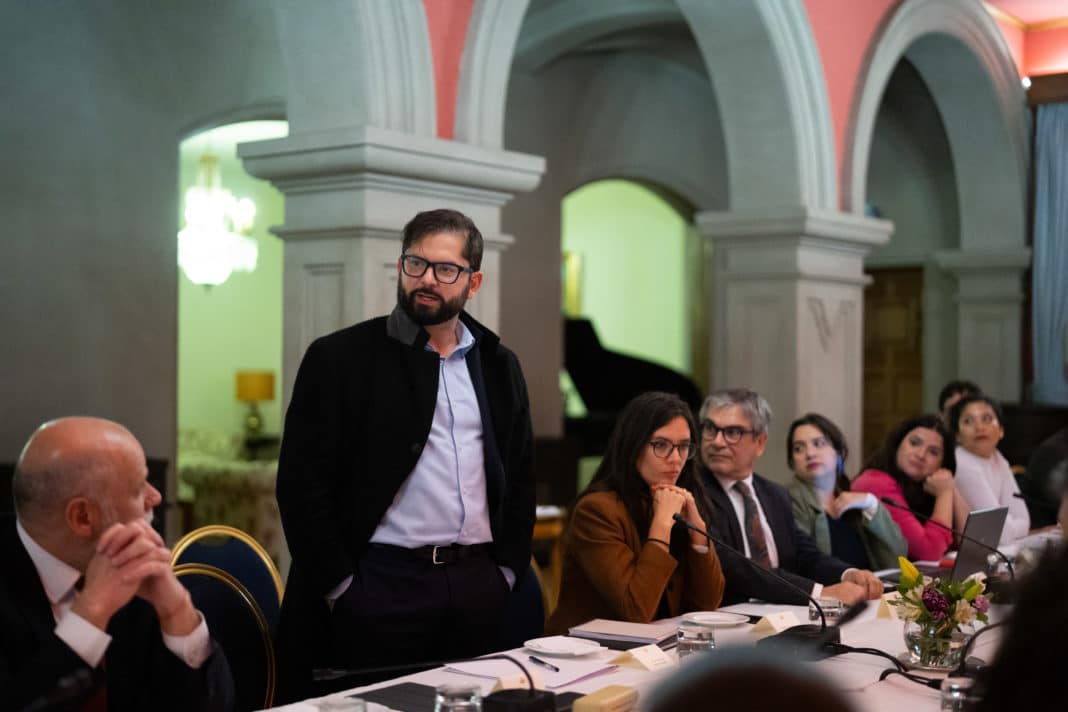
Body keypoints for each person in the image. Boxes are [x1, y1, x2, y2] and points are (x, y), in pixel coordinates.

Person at [274, 208, 535, 701]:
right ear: (401, 265)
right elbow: (301, 485)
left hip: (475, 584)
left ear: (473, 282)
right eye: (416, 264)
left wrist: (503, 573)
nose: (427, 280)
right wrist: (342, 589)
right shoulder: (340, 358)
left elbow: (520, 477)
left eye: (445, 269)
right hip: (381, 585)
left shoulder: (499, 365)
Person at [0, 417, 233, 712]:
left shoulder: (132, 567)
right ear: (83, 517)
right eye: (138, 489)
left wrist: (177, 612)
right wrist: (91, 614)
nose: (156, 496)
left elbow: (213, 707)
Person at [546, 392, 725, 634]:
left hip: (655, 648)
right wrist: (661, 525)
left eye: (683, 447)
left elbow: (708, 605)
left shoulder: (678, 501)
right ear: (633, 446)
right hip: (590, 654)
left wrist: (699, 535)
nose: (675, 459)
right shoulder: (597, 511)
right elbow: (636, 610)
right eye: (661, 445)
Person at [695, 388, 883, 607]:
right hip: (729, 615)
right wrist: (819, 592)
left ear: (760, 443)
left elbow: (805, 554)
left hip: (784, 612)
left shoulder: (775, 494)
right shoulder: (694, 490)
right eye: (710, 429)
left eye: (733, 432)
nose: (717, 441)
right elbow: (732, 566)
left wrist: (848, 573)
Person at [786, 413, 907, 571]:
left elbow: (898, 560)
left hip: (873, 592)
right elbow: (804, 564)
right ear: (792, 462)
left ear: (838, 452)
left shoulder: (853, 500)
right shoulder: (787, 500)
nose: (810, 453)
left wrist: (872, 505)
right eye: (798, 448)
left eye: (818, 443)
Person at [852, 415, 968, 562]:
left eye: (933, 452)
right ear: (898, 444)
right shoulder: (875, 482)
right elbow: (930, 553)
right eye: (914, 443)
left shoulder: (924, 489)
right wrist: (945, 494)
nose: (921, 455)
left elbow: (975, 546)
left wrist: (949, 486)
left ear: (942, 464)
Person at [948, 394, 1029, 543]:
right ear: (957, 435)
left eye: (987, 419)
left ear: (1001, 430)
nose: (979, 427)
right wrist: (1011, 527)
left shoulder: (998, 458)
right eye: (968, 421)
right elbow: (1000, 533)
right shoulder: (962, 463)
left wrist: (1010, 527)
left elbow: (1024, 519)